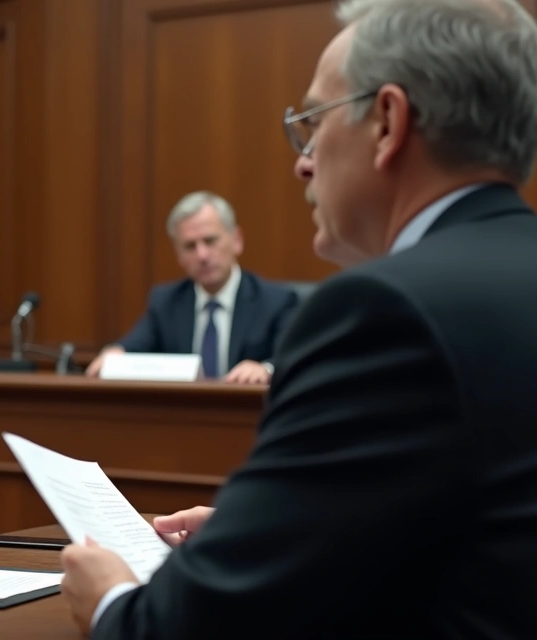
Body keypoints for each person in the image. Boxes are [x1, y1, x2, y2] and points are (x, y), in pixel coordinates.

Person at [62, 0, 537, 637]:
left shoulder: (381, 311)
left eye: (313, 121)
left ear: (388, 121)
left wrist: (111, 600)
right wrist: (272, 529)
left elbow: (185, 627)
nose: (303, 161)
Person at [85, 192, 298, 384]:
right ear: (178, 254)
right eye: (190, 246)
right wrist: (115, 353)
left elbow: (292, 358)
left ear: (236, 240)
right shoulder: (167, 301)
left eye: (210, 241)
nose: (202, 255)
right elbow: (133, 346)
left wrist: (265, 368)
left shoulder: (275, 301)